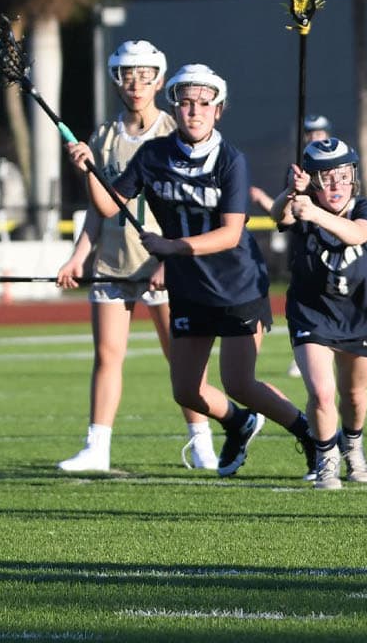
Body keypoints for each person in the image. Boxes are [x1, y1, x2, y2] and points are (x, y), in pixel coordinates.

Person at [67, 63, 319, 479]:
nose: (194, 111)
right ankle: (239, 423)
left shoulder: (230, 160)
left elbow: (230, 233)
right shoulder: (153, 155)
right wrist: (89, 169)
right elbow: (109, 206)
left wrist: (171, 248)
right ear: (175, 108)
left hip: (236, 283)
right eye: (185, 103)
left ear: (218, 110)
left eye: (204, 104)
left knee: (239, 383)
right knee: (185, 389)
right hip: (189, 285)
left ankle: (310, 435)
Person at [52, 40, 216, 473]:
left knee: (180, 359)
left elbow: (189, 205)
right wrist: (78, 257)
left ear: (159, 81)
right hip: (112, 262)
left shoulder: (173, 133)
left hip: (161, 264)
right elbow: (98, 209)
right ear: (116, 81)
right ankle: (97, 447)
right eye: (128, 75)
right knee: (107, 357)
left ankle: (202, 443)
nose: (136, 83)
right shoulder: (104, 137)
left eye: (145, 75)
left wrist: (171, 260)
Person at [273, 137, 367, 489]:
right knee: (322, 393)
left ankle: (353, 445)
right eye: (325, 177)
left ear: (353, 176)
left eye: (342, 176)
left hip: (359, 315)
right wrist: (290, 194)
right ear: (312, 180)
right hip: (312, 314)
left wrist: (316, 213)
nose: (335, 184)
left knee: (353, 395)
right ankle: (326, 458)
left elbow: (357, 235)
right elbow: (277, 215)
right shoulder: (302, 206)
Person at [251, 114, 341, 378]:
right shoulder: (296, 171)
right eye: (310, 133)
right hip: (303, 246)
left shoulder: (338, 169)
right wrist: (284, 194)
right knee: (304, 302)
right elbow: (286, 214)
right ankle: (306, 355)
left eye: (319, 133)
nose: (314, 137)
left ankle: (332, 351)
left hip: (330, 246)